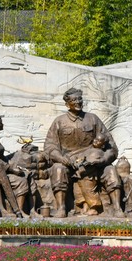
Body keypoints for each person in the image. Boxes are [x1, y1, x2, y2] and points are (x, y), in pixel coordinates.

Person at [44, 88, 121, 217]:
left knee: (110, 171)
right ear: (67, 103)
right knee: (58, 169)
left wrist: (103, 160)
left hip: (92, 161)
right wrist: (61, 159)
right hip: (69, 162)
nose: (78, 102)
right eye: (74, 100)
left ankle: (118, 208)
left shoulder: (93, 119)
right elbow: (49, 146)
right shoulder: (59, 121)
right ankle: (61, 208)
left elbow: (111, 146)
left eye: (80, 99)